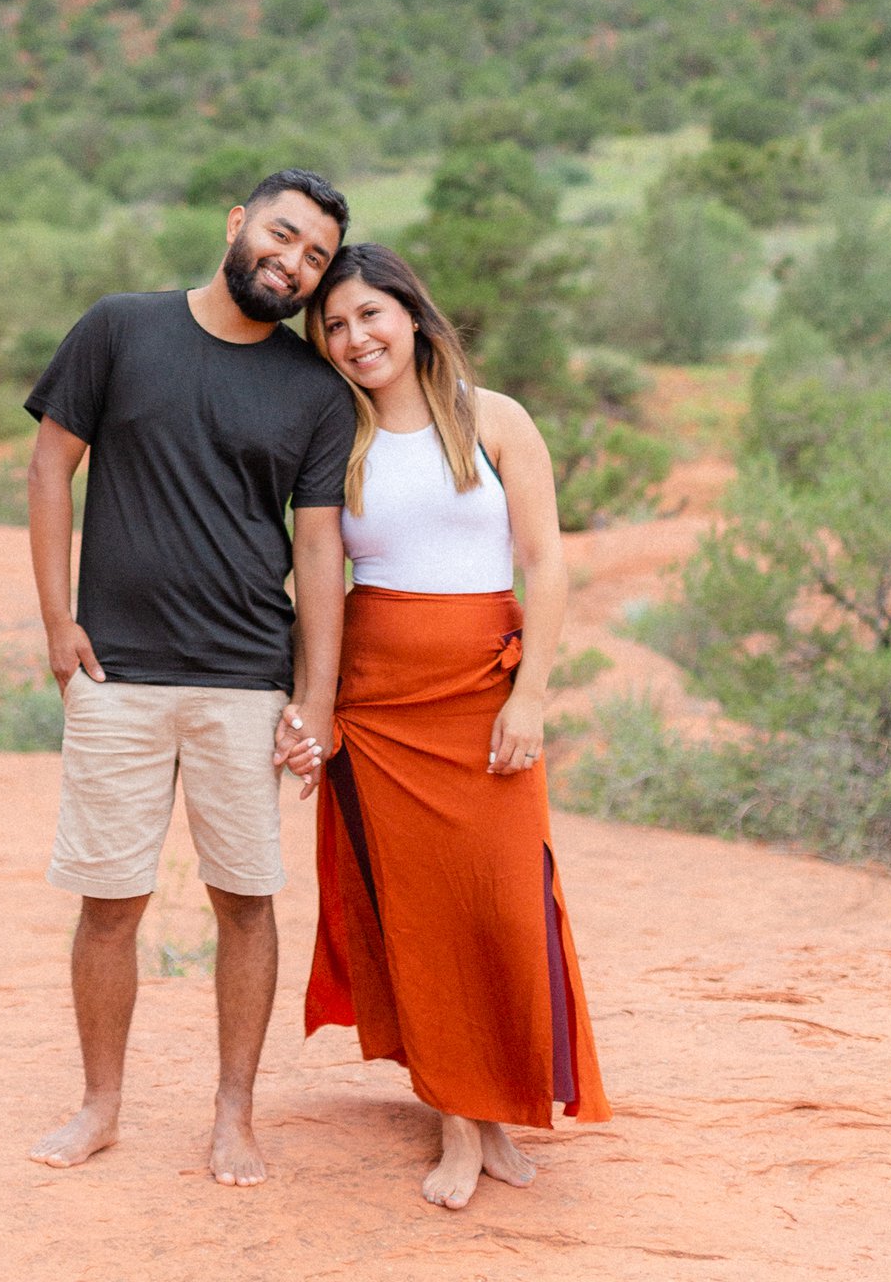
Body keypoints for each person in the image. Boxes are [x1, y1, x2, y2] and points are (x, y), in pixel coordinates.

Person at [24, 167, 355, 1187]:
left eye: (314, 258)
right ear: (236, 223)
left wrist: (318, 699)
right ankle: (100, 1106)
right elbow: (48, 467)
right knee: (109, 901)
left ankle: (234, 1116)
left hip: (247, 685)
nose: (292, 263)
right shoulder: (120, 329)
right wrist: (55, 622)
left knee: (245, 900)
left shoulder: (315, 391)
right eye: (283, 237)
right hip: (117, 674)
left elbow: (317, 552)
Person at [298, 240, 610, 1212]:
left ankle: (501, 1104)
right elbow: (324, 586)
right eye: (335, 327)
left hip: (483, 689)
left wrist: (533, 695)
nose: (355, 339)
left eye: (369, 316)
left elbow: (545, 563)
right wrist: (318, 712)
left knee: (504, 902)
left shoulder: (496, 422)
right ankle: (460, 1125)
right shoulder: (334, 439)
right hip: (380, 706)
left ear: (412, 314)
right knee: (422, 919)